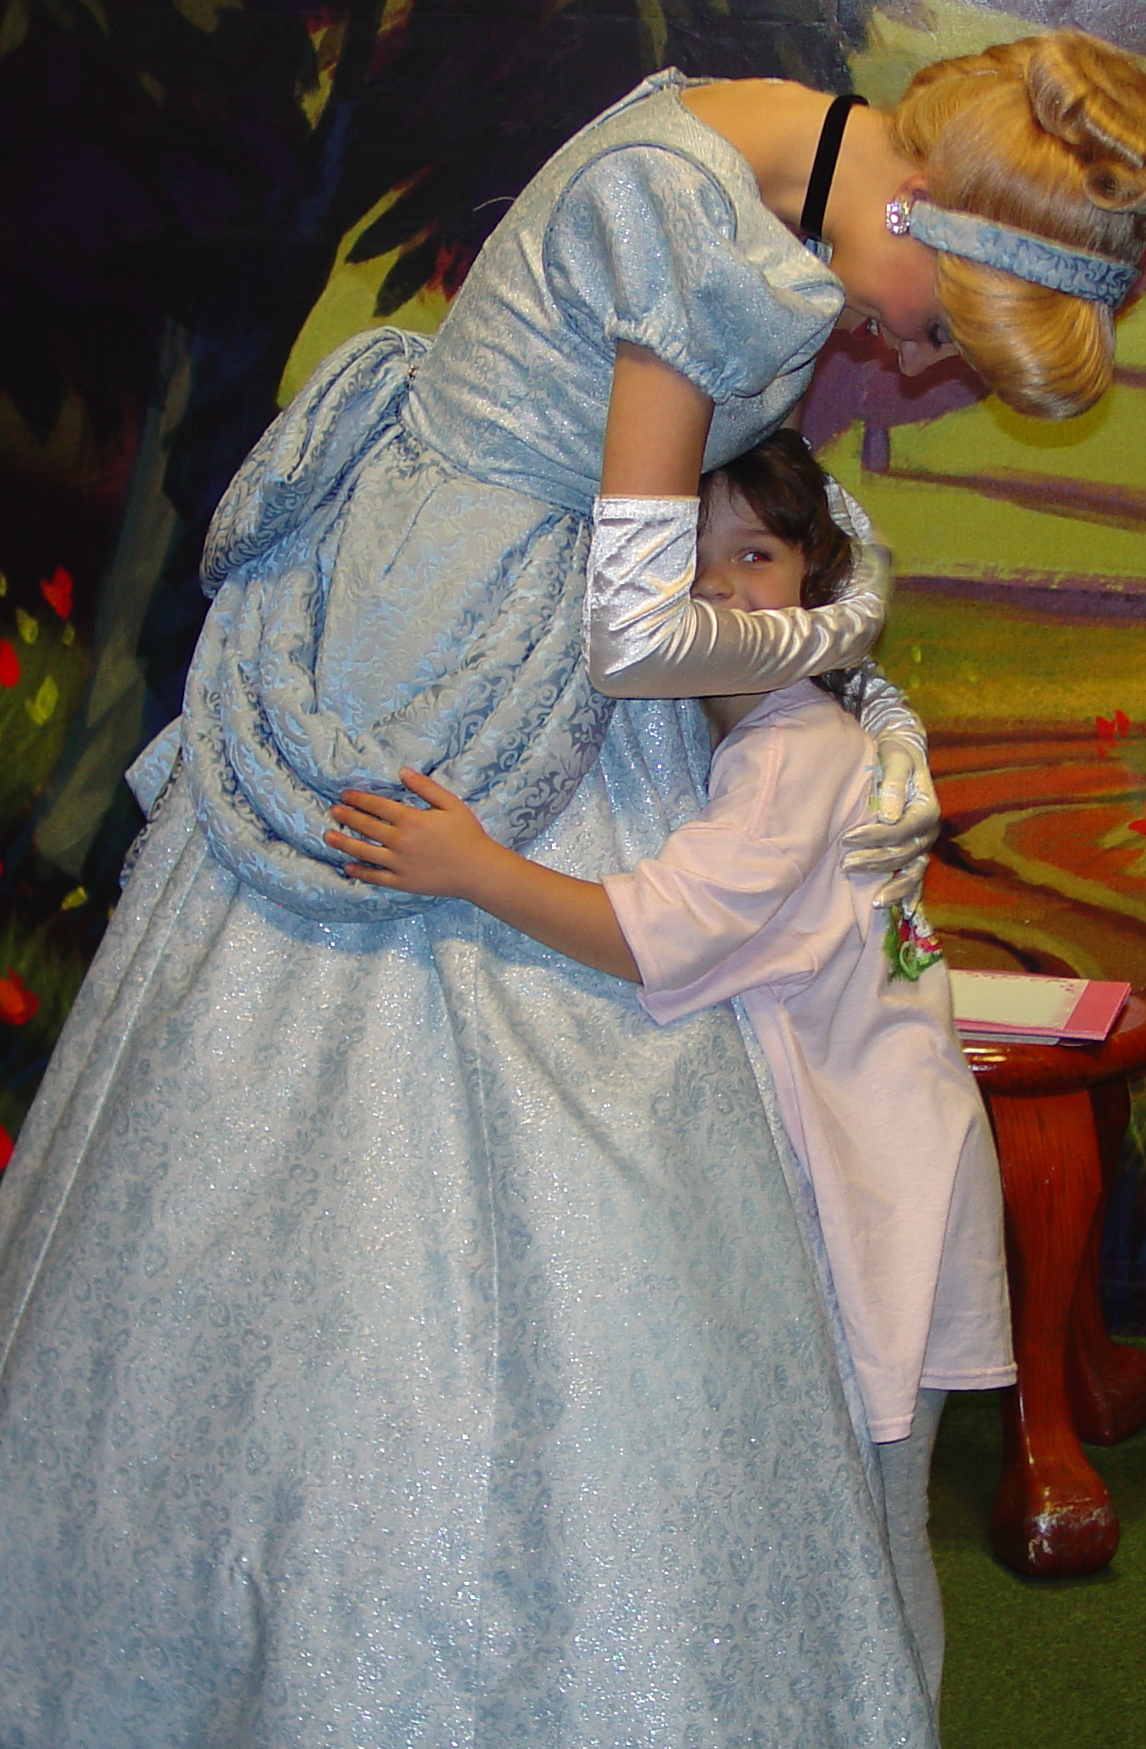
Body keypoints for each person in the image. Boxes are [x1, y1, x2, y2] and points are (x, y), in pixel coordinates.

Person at [0, 31, 1146, 1747]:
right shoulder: (706, 243)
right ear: (918, 201)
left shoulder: (741, 132)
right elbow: (636, 632)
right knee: (412, 1107)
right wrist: (838, 631)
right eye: (936, 319)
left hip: (482, 609)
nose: (906, 351)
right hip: (475, 665)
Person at [322, 432, 1016, 1704]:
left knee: (879, 1524)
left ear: (815, 579)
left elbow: (659, 932)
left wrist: (473, 869)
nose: (720, 588)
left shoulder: (794, 750)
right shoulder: (774, 737)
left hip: (887, 1193)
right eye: (689, 560)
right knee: (862, 1514)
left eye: (755, 555)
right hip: (887, 1159)